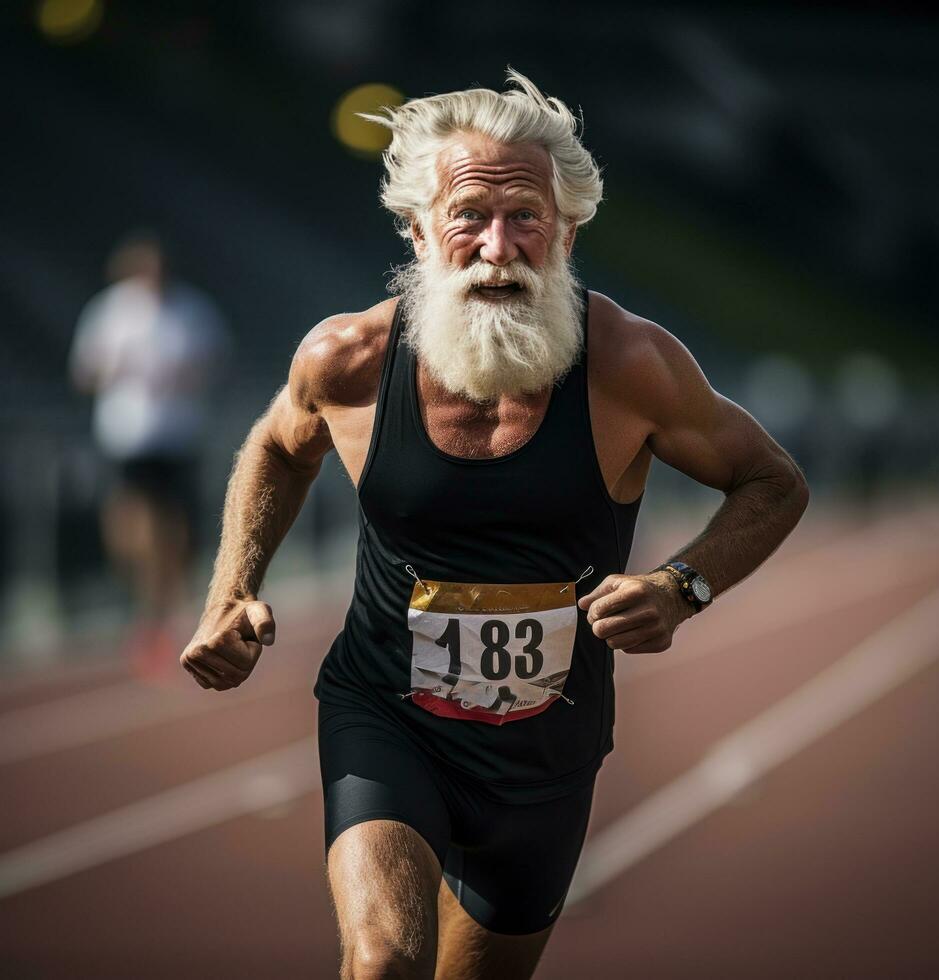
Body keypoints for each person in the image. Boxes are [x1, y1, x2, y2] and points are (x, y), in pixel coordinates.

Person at [179, 70, 809, 979]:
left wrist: (683, 587)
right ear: (420, 229)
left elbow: (771, 482)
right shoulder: (349, 360)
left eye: (526, 217)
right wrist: (230, 595)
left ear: (568, 229)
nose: (497, 247)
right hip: (385, 714)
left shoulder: (630, 364)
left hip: (548, 750)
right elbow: (279, 448)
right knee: (382, 963)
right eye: (469, 215)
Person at [70, 231, 229, 677]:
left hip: (177, 434)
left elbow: (214, 362)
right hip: (127, 435)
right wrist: (116, 371)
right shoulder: (108, 312)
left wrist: (184, 376)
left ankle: (163, 606)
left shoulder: (191, 311)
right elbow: (85, 373)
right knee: (132, 525)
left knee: (173, 528)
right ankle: (145, 589)